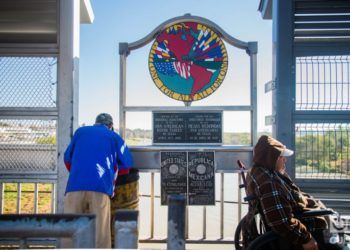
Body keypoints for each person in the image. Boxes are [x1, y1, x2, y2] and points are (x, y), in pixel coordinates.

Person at [245, 135, 340, 250]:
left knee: (339, 223)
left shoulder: (260, 172)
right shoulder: (270, 183)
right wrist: (306, 238)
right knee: (339, 227)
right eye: (281, 157)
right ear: (271, 158)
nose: (285, 159)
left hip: (300, 216)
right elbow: (281, 222)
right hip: (305, 226)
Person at [63, 113, 133, 248]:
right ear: (110, 126)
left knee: (70, 229)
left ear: (95, 123)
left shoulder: (80, 132)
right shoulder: (114, 137)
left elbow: (67, 159)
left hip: (74, 187)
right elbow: (126, 166)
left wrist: (80, 173)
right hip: (100, 187)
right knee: (100, 231)